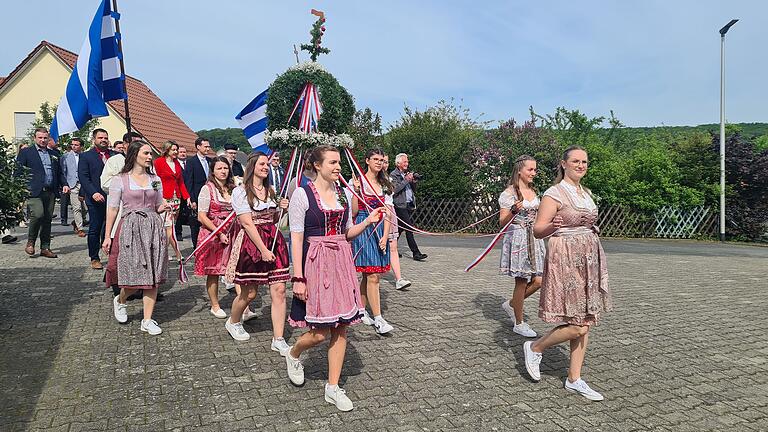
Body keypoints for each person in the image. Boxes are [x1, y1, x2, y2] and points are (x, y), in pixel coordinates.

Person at [285, 145, 386, 412]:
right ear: (317, 165)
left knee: (341, 327)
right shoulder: (302, 194)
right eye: (332, 162)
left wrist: (369, 221)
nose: (338, 167)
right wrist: (298, 277)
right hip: (315, 263)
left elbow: (348, 232)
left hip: (341, 262)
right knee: (318, 334)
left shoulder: (342, 194)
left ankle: (333, 387)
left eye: (339, 162)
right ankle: (293, 353)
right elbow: (296, 237)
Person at [523, 146, 612, 401]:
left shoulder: (585, 192)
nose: (581, 165)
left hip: (588, 258)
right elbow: (538, 230)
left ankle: (574, 379)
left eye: (584, 161)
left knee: (585, 320)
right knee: (578, 327)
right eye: (575, 161)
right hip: (566, 258)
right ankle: (534, 347)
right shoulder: (554, 193)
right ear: (564, 164)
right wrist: (553, 225)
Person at [224, 153, 291, 351]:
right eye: (262, 164)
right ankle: (233, 321)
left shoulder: (270, 190)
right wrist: (262, 249)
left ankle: (278, 339)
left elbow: (275, 219)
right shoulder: (241, 191)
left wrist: (282, 210)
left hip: (274, 240)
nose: (266, 167)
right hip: (252, 243)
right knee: (250, 293)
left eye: (267, 164)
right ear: (252, 166)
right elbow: (246, 222)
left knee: (279, 290)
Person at [104, 140, 169, 335]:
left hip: (153, 226)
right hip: (131, 228)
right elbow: (113, 208)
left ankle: (147, 320)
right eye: (146, 153)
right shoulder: (120, 179)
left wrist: (164, 207)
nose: (150, 157)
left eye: (151, 154)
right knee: (134, 275)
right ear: (135, 155)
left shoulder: (155, 179)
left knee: (153, 275)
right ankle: (121, 300)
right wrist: (108, 236)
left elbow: (158, 204)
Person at [498, 155, 545, 338]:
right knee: (522, 280)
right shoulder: (509, 193)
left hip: (534, 238)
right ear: (520, 170)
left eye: (535, 169)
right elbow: (502, 222)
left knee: (539, 280)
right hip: (518, 238)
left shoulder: (533, 191)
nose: (534, 173)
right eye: (530, 169)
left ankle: (511, 304)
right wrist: (513, 211)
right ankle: (519, 323)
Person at [351, 148, 395, 334]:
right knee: (373, 276)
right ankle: (378, 319)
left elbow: (388, 212)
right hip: (363, 226)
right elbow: (353, 213)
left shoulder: (386, 184)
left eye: (381, 159)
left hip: (379, 229)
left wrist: (385, 236)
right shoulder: (358, 182)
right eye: (375, 159)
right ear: (367, 161)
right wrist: (355, 191)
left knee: (370, 274)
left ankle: (361, 310)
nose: (379, 162)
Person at [194, 156, 236, 318]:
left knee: (236, 269)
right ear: (213, 171)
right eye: (219, 168)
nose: (223, 171)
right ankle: (215, 305)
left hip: (232, 230)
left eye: (225, 168)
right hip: (213, 233)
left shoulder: (234, 188)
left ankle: (244, 307)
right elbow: (202, 216)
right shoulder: (208, 189)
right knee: (214, 271)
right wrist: (219, 232)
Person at [15, 127, 65, 258]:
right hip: (34, 191)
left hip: (50, 191)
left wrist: (64, 184)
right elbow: (18, 172)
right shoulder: (26, 152)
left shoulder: (53, 153)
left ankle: (45, 247)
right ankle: (31, 241)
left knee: (47, 219)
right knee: (38, 214)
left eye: (45, 138)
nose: (43, 140)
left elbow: (59, 172)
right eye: (40, 137)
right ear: (35, 138)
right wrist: (21, 187)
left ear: (48, 138)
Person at [78, 128, 117, 269]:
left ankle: (110, 252)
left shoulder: (115, 155)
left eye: (105, 137)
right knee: (95, 227)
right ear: (94, 140)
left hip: (113, 197)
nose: (103, 140)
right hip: (95, 198)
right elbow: (83, 177)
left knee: (110, 227)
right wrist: (93, 193)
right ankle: (94, 257)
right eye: (100, 137)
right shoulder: (86, 156)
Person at [154, 140, 191, 262]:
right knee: (169, 227)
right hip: (165, 198)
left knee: (170, 226)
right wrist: (160, 198)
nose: (176, 152)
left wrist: (187, 197)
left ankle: (162, 252)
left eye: (176, 149)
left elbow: (180, 182)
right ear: (167, 150)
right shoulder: (159, 162)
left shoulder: (176, 163)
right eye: (173, 150)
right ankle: (177, 253)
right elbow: (155, 181)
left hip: (176, 198)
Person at [391, 153, 427, 261]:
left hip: (408, 204)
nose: (407, 163)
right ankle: (416, 252)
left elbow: (412, 190)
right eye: (405, 161)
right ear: (398, 163)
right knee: (409, 227)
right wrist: (406, 179)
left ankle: (391, 249)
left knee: (400, 228)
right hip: (399, 205)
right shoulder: (394, 175)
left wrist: (413, 182)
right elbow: (395, 190)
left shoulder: (405, 174)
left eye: (407, 161)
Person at [382, 154, 411, 290]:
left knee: (393, 247)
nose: (384, 164)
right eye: (381, 161)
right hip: (377, 213)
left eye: (386, 162)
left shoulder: (389, 178)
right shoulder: (367, 179)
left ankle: (399, 279)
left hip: (390, 211)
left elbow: (393, 193)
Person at [183, 137, 213, 249]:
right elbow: (189, 181)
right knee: (196, 224)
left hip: (210, 196)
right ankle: (197, 247)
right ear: (198, 147)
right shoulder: (191, 162)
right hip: (197, 196)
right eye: (205, 146)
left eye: (208, 146)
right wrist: (192, 199)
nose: (208, 149)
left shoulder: (210, 161)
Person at [60, 138, 88, 237]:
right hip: (72, 184)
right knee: (77, 207)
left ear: (81, 146)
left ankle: (76, 222)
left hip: (84, 184)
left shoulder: (84, 156)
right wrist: (65, 184)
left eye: (76, 145)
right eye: (72, 144)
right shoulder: (65, 156)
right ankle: (80, 228)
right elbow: (63, 171)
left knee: (85, 207)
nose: (74, 146)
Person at [175, 145, 189, 240]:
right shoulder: (175, 164)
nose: (183, 154)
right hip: (179, 193)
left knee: (188, 212)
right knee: (179, 213)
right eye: (181, 152)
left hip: (188, 192)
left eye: (184, 152)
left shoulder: (189, 164)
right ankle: (178, 232)